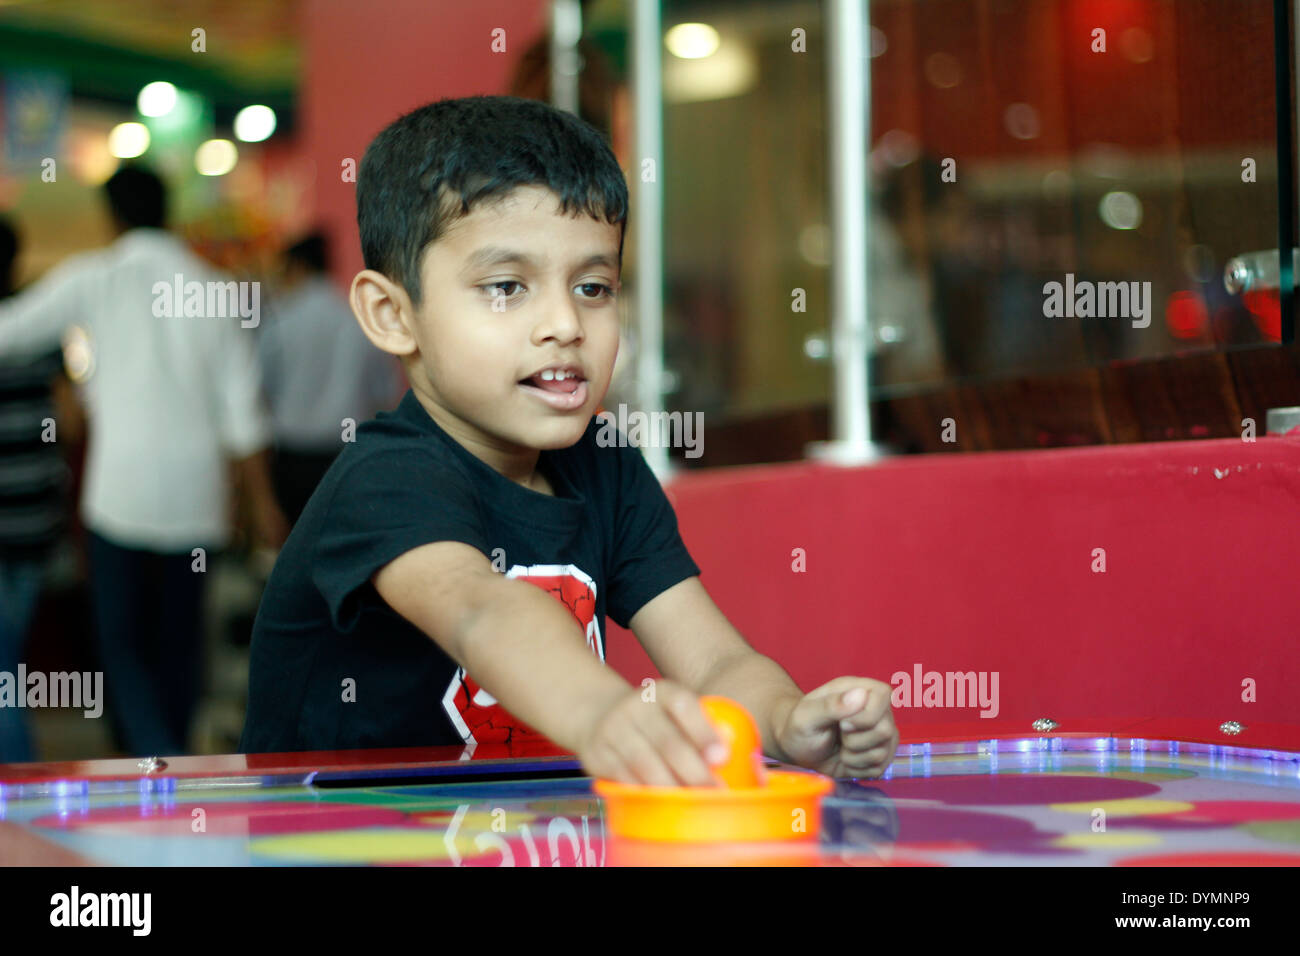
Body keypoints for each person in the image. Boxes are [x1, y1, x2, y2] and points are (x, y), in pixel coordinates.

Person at [240, 96, 897, 785]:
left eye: (593, 286)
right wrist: (602, 714)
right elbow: (479, 611)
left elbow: (713, 662)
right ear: (392, 315)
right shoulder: (385, 478)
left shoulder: (604, 463)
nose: (564, 323)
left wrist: (789, 723)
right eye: (505, 287)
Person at [0, 166, 288, 757]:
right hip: (197, 506)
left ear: (112, 216)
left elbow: (10, 332)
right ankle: (172, 758)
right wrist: (263, 508)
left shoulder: (94, 277)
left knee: (119, 644)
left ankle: (149, 757)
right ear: (169, 211)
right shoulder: (216, 289)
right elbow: (245, 418)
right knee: (180, 644)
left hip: (118, 500)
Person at [257, 232, 400, 524]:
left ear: (296, 266)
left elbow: (262, 390)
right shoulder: (357, 321)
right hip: (346, 454)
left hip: (290, 457)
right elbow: (385, 394)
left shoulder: (280, 322)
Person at [0, 217, 68, 762]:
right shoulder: (40, 327)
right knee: (8, 653)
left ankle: (17, 774)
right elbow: (71, 422)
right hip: (33, 522)